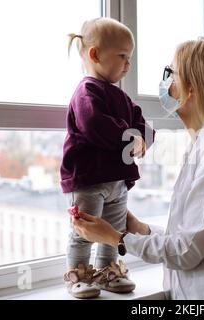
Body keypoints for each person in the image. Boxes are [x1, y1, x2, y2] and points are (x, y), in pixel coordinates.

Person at [73, 38, 204, 300]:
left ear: (192, 89)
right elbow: (194, 237)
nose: (166, 83)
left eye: (171, 74)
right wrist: (139, 228)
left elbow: (186, 252)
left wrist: (116, 238)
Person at [60, 17, 155, 299]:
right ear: (95, 55)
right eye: (122, 56)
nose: (128, 64)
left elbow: (144, 128)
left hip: (117, 181)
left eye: (131, 57)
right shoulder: (86, 91)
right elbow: (95, 125)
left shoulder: (122, 97)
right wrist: (130, 135)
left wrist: (143, 138)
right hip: (88, 179)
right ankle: (78, 274)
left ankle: (107, 271)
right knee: (84, 230)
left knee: (113, 230)